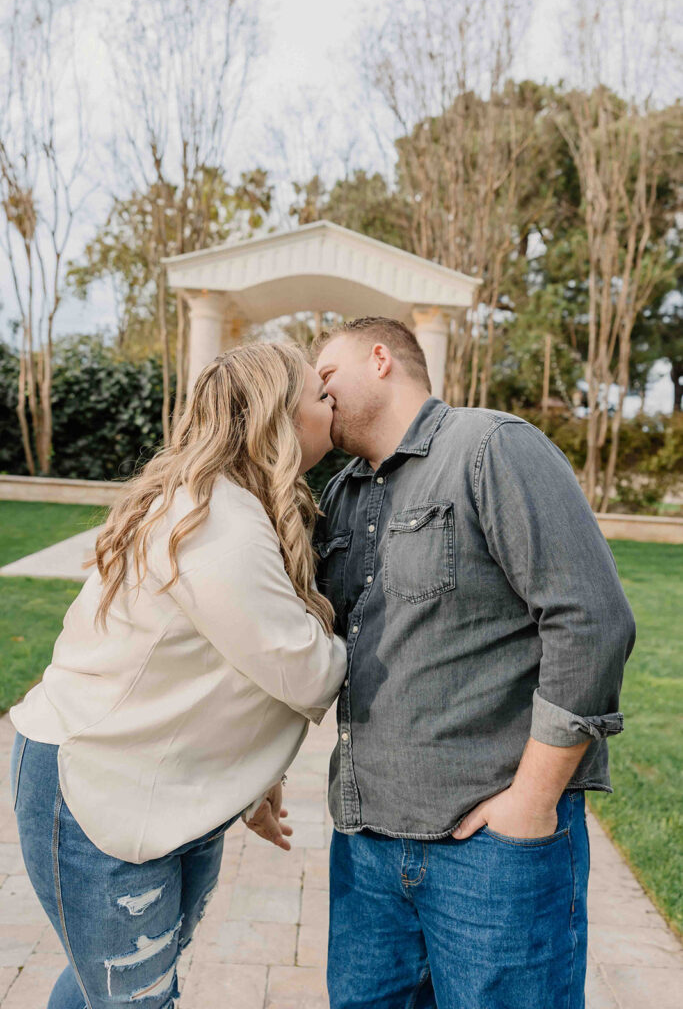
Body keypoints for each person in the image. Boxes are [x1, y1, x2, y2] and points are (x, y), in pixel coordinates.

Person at [9, 342, 347, 1009]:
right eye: (319, 394)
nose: (333, 400)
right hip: (95, 789)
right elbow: (302, 671)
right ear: (276, 418)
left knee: (111, 989)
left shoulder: (241, 505)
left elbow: (227, 665)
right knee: (134, 996)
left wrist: (256, 782)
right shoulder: (217, 523)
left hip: (162, 786)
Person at [313, 317, 636, 1009]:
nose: (316, 391)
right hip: (365, 849)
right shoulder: (339, 493)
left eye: (325, 373)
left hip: (490, 854)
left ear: (380, 359)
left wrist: (530, 801)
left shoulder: (490, 447)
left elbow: (591, 620)